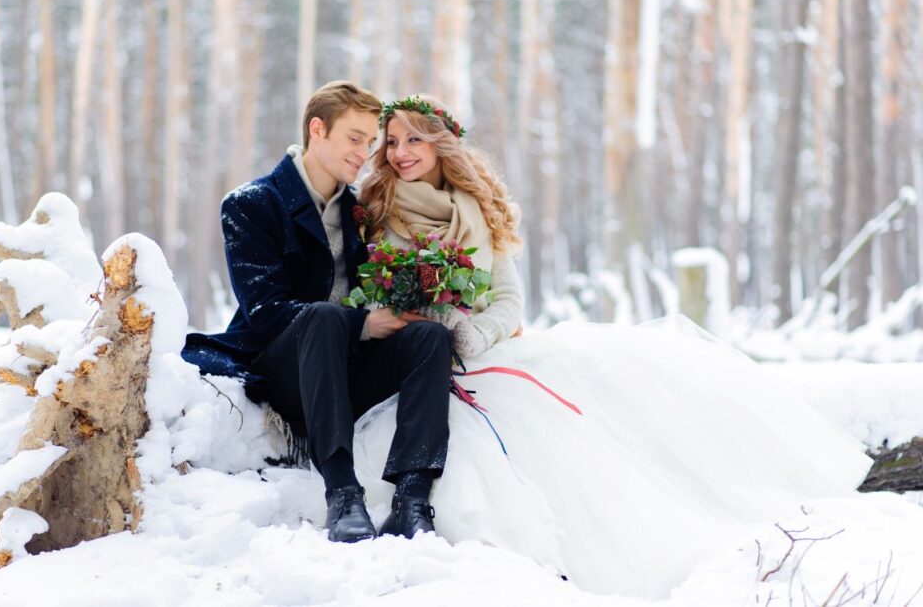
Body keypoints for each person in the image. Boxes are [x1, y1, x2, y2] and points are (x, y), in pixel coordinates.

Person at [351, 94, 873, 598]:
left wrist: (475, 332)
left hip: (482, 352)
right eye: (392, 142)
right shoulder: (377, 209)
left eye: (413, 140)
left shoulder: (477, 210)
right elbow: (365, 294)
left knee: (577, 400)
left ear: (443, 145)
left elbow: (509, 300)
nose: (400, 153)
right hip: (414, 361)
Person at [182, 82, 453, 544]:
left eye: (370, 143)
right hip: (285, 373)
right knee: (323, 318)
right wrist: (363, 324)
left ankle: (411, 499)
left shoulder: (361, 213)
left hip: (346, 371)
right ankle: (343, 494)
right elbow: (266, 313)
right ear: (317, 130)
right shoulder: (251, 205)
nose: (364, 152)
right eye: (354, 138)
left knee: (430, 338)